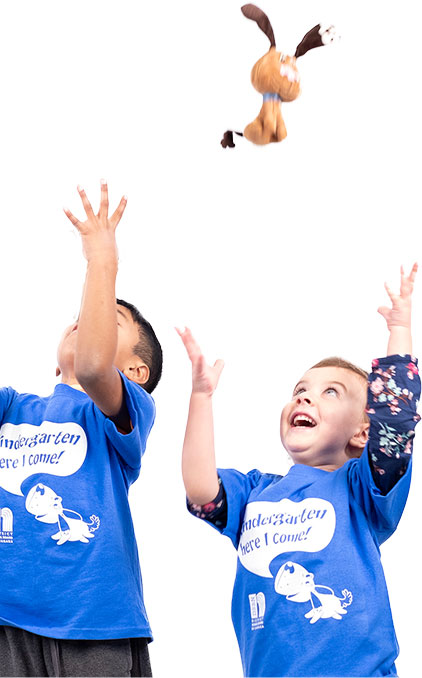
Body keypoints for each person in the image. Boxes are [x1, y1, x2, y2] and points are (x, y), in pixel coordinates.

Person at [0, 181, 163, 677]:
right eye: (80, 316)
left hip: (96, 624)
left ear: (136, 372)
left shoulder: (122, 409)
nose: (84, 321)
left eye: (107, 319)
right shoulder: (13, 409)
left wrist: (102, 263)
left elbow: (97, 369)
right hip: (12, 619)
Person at [178, 264, 420, 677]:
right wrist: (201, 397)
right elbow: (201, 490)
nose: (305, 399)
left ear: (363, 431)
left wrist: (399, 330)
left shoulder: (361, 487)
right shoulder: (254, 492)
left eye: (329, 392)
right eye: (300, 392)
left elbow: (395, 420)